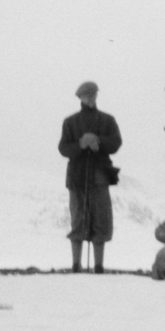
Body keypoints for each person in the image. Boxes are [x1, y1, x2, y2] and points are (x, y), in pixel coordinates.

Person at [58, 81, 122, 273]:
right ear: (80, 98)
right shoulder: (70, 122)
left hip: (99, 175)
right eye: (87, 96)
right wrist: (81, 144)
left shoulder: (108, 120)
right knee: (78, 218)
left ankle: (98, 266)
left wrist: (98, 142)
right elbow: (63, 148)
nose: (90, 98)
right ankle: (76, 266)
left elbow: (116, 143)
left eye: (93, 95)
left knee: (101, 219)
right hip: (78, 178)